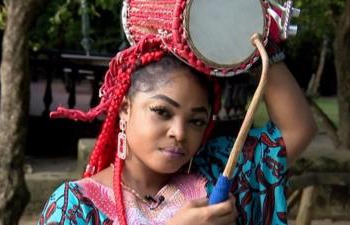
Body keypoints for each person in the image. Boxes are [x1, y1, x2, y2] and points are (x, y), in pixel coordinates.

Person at [37, 36, 317, 225]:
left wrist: (256, 41)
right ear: (125, 108)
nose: (179, 132)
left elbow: (296, 130)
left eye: (196, 121)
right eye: (162, 112)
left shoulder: (218, 172)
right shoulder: (74, 206)